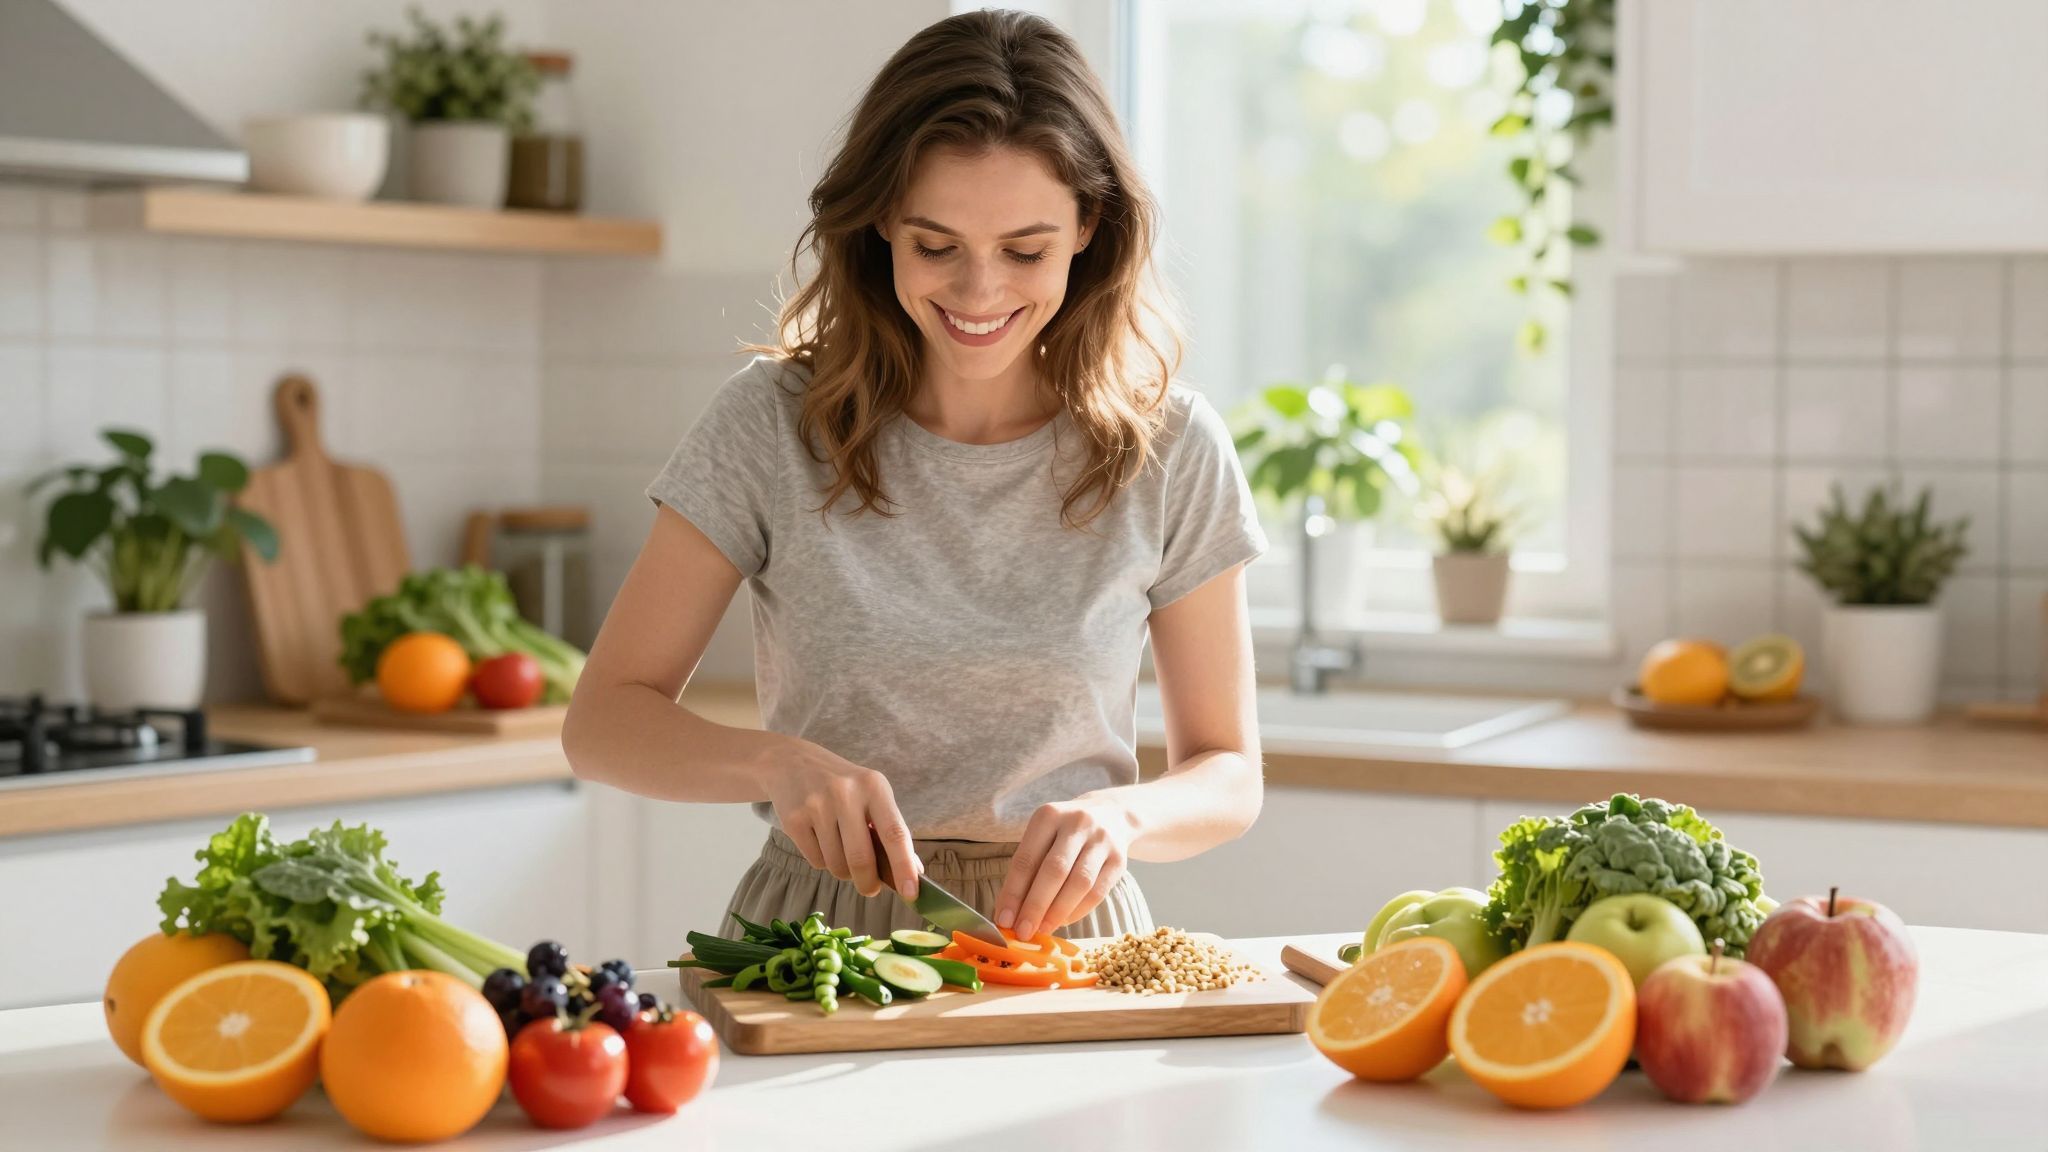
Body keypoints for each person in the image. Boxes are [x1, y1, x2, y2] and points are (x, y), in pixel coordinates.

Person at [562, 9, 1267, 945]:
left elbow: (1228, 770)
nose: (979, 295)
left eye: (1026, 250)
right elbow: (602, 723)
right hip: (819, 937)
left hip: (1067, 943)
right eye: (937, 246)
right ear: (883, 221)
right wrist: (775, 764)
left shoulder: (1169, 447)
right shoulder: (771, 423)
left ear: (1089, 229)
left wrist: (1126, 817)